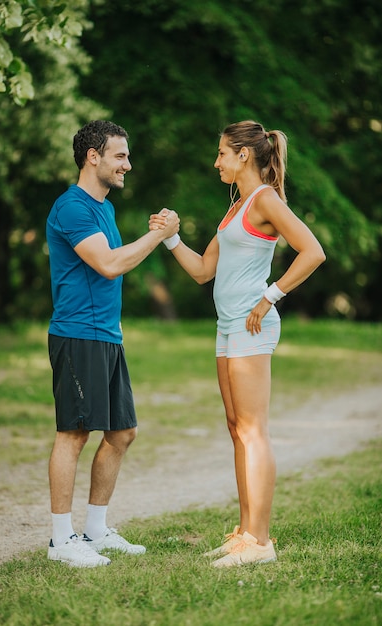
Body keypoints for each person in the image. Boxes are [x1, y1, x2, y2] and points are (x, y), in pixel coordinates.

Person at [150, 120, 325, 567]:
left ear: (244, 155)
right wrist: (169, 236)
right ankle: (245, 532)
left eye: (222, 153)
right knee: (236, 428)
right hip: (227, 326)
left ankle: (260, 542)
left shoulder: (265, 199)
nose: (217, 162)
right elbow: (203, 270)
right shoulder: (236, 207)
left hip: (251, 326)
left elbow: (312, 251)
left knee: (253, 430)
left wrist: (271, 296)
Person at [46, 120, 179, 568]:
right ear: (93, 157)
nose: (128, 164)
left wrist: (153, 236)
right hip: (78, 333)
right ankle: (61, 540)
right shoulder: (72, 208)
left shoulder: (103, 207)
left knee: (122, 432)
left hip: (106, 335)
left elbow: (117, 262)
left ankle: (96, 531)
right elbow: (108, 264)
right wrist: (159, 235)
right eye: (120, 156)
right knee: (75, 432)